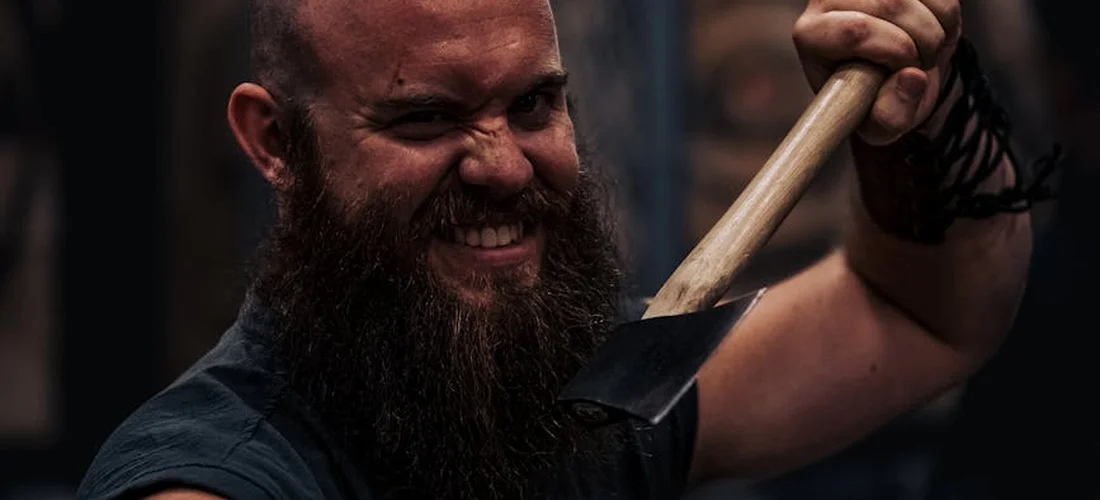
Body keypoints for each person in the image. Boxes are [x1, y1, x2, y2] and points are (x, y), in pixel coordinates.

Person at [75, 0, 1048, 498]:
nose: (502, 165)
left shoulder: (587, 399)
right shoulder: (214, 475)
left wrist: (920, 125)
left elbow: (923, 313)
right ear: (275, 141)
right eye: (424, 118)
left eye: (534, 102)